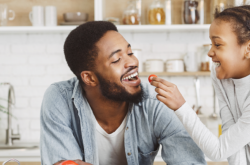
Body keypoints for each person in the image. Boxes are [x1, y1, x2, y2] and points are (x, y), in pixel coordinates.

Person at [40, 21, 206, 165]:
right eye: (116, 60)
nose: (133, 62)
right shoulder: (59, 98)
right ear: (89, 78)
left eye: (130, 53)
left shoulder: (158, 102)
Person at [150, 5, 250, 165]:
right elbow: (232, 142)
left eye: (217, 44)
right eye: (211, 44)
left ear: (248, 48)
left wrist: (181, 106)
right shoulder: (220, 76)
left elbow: (219, 151)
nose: (210, 52)